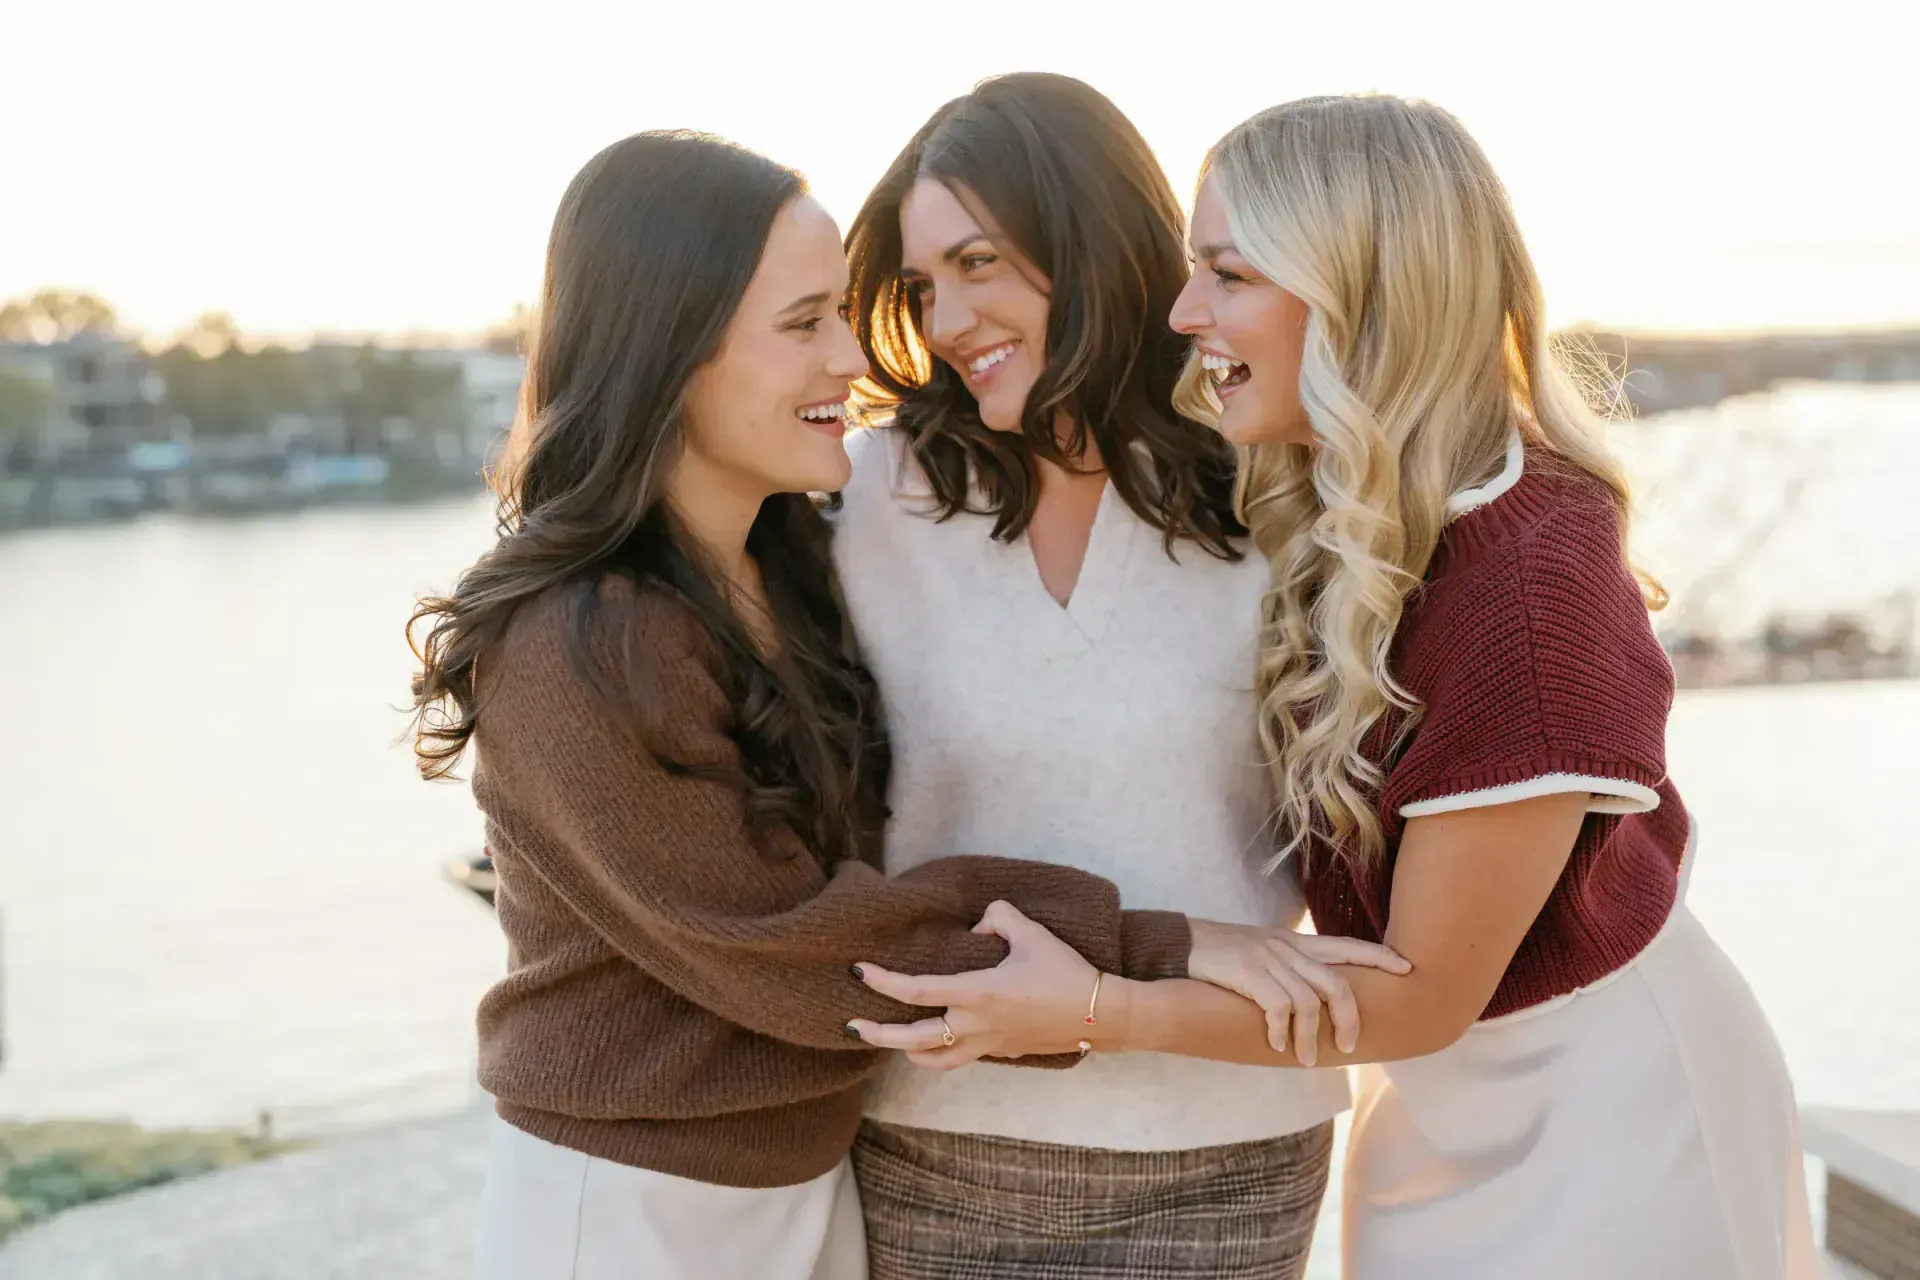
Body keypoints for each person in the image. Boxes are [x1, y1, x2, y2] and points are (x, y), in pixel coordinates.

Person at [859, 94, 1819, 1280]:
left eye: (1228, 273)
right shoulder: (1339, 510)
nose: (1183, 311)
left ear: (1364, 288)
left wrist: (1100, 1005)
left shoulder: (1528, 585)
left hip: (1609, 1115)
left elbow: (1423, 995)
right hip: (1426, 1108)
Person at [406, 129, 1231, 1280]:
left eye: (842, 312)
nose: (852, 355)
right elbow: (794, 940)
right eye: (803, 324)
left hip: (805, 1184)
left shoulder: (789, 576)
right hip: (631, 1209)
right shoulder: (573, 637)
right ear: (668, 350)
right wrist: (1161, 947)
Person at [833, 73, 1395, 1280]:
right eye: (922, 286)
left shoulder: (1272, 489)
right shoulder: (866, 498)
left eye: (978, 262)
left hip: (1232, 1142)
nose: (946, 320)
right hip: (937, 1139)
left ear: (1086, 242)